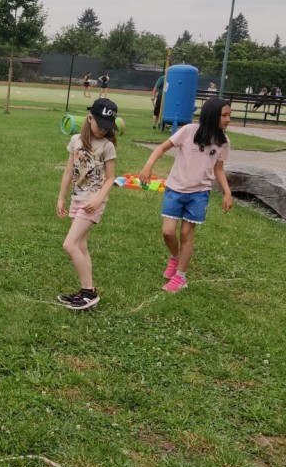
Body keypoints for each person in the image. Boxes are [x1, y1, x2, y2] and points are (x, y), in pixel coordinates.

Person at [139, 97, 234, 293]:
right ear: (212, 115)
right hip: (175, 189)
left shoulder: (224, 142)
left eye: (229, 115)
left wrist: (227, 192)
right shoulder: (189, 130)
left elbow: (218, 169)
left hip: (199, 194)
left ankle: (180, 277)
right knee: (168, 232)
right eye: (224, 115)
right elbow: (162, 147)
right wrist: (148, 166)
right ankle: (175, 257)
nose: (228, 119)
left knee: (186, 234)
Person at [55, 98, 118, 310]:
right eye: (100, 124)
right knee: (81, 246)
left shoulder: (107, 146)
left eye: (108, 126)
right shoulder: (76, 141)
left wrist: (98, 199)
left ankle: (88, 292)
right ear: (90, 118)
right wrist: (61, 198)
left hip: (93, 203)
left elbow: (111, 178)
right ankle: (86, 292)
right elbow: (68, 172)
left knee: (69, 244)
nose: (104, 129)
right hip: (77, 198)